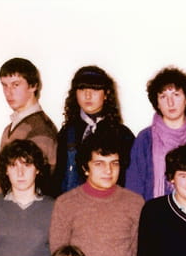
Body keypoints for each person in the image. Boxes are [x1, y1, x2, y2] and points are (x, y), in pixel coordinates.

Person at [49, 127, 144, 256]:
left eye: (114, 163)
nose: (108, 170)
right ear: (85, 168)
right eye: (99, 164)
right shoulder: (66, 204)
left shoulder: (135, 202)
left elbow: (136, 255)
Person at [54, 66, 135, 195]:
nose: (88, 95)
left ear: (106, 94)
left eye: (95, 89)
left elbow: (129, 181)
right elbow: (58, 179)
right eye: (82, 89)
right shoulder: (67, 133)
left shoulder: (122, 135)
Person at [0, 57, 57, 198]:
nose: (9, 92)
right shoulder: (11, 128)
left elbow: (34, 186)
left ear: (33, 86)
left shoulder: (40, 129)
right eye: (4, 85)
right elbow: (0, 177)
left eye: (16, 85)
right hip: (1, 206)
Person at [126, 67, 186, 201]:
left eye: (176, 95)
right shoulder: (145, 139)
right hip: (153, 211)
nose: (170, 103)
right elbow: (134, 187)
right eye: (163, 97)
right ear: (157, 103)